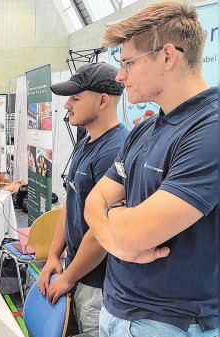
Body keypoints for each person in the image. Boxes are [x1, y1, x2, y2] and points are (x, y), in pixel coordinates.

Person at [83, 3, 217, 336]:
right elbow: (92, 203)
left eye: (127, 62)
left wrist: (113, 218)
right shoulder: (146, 129)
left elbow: (133, 232)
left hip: (170, 323)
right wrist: (117, 240)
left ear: (168, 56)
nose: (119, 75)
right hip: (115, 307)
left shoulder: (209, 130)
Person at [35, 62, 128, 336]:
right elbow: (70, 202)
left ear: (102, 100)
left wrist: (68, 277)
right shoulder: (86, 141)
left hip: (98, 283)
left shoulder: (114, 150)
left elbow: (101, 233)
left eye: (76, 98)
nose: (67, 105)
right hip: (75, 271)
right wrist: (54, 255)